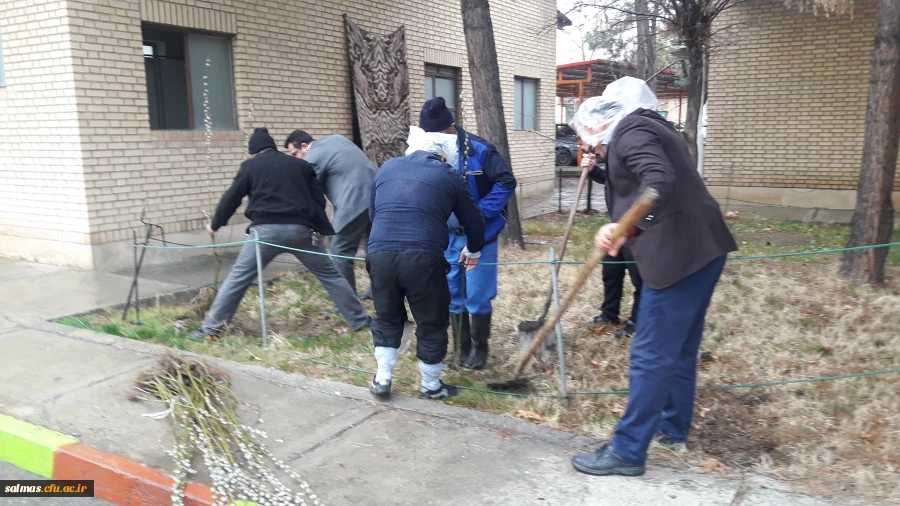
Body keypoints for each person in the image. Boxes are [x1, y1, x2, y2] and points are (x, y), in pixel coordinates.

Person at [567, 77, 738, 476]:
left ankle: (627, 451)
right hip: (703, 249)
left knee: (650, 354)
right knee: (678, 349)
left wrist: (623, 226)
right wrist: (626, 227)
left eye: (589, 135)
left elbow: (658, 182)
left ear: (605, 119)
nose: (590, 144)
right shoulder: (654, 127)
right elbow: (647, 183)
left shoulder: (631, 131)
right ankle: (671, 428)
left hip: (678, 256)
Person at [194, 128, 370, 341]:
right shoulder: (300, 165)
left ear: (254, 153)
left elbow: (232, 198)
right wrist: (320, 228)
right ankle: (360, 321)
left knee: (238, 278)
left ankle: (211, 329)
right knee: (330, 275)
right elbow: (318, 200)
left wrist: (215, 224)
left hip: (265, 233)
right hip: (301, 232)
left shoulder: (250, 166)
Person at [366, 125, 485, 400]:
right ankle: (431, 386)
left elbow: (374, 212)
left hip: (380, 254)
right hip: (423, 257)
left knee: (386, 317)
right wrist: (474, 250)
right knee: (431, 320)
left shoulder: (387, 168)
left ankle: (382, 379)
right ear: (442, 157)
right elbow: (474, 219)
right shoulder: (448, 174)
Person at [418, 97, 517, 370]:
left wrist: (479, 214)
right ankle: (461, 348)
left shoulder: (479, 149)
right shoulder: (427, 150)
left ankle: (480, 348)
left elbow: (506, 181)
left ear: (450, 126)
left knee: (477, 293)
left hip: (480, 235)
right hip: (447, 236)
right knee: (452, 293)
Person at [284, 130, 376, 299]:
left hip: (354, 201)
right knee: (373, 249)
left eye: (295, 154)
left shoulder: (313, 156)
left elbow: (305, 190)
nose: (295, 159)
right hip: (376, 196)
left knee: (339, 251)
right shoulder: (336, 139)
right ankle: (377, 292)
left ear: (304, 146)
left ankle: (347, 303)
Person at [584, 154, 643, 339]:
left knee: (640, 280)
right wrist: (593, 170)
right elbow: (611, 180)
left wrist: (636, 225)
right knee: (611, 273)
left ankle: (637, 322)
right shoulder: (617, 157)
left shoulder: (638, 158)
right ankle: (609, 315)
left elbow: (653, 208)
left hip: (639, 232)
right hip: (616, 229)